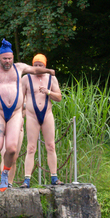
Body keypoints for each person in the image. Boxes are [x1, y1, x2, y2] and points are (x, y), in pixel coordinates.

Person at [0, 39, 55, 191]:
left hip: (15, 113)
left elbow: (35, 70)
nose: (7, 61)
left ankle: (5, 173)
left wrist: (48, 71)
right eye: (5, 58)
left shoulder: (19, 68)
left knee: (12, 149)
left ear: (13, 58)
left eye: (10, 58)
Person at [20, 54, 64, 188]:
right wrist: (21, 116)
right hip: (32, 115)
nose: (38, 68)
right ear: (32, 66)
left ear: (45, 66)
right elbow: (20, 99)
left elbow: (59, 97)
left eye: (41, 65)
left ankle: (54, 177)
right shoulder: (26, 78)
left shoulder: (51, 78)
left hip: (47, 114)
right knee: (31, 147)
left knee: (51, 146)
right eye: (36, 65)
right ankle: (26, 179)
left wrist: (48, 92)